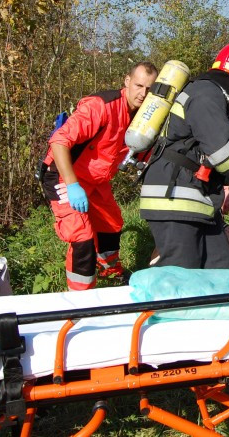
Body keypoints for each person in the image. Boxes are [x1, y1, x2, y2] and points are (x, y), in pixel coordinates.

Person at [139, 40, 229, 269]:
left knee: (221, 270)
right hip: (175, 199)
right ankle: (153, 304)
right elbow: (224, 155)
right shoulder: (207, 94)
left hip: (195, 200)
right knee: (180, 276)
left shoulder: (209, 92)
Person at [42, 62, 157, 291]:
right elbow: (59, 142)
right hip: (64, 175)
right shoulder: (101, 106)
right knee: (82, 237)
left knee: (111, 224)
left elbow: (145, 154)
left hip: (96, 180)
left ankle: (110, 274)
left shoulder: (143, 119)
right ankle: (81, 298)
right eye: (138, 85)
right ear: (126, 82)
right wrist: (73, 185)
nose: (143, 94)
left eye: (149, 89)